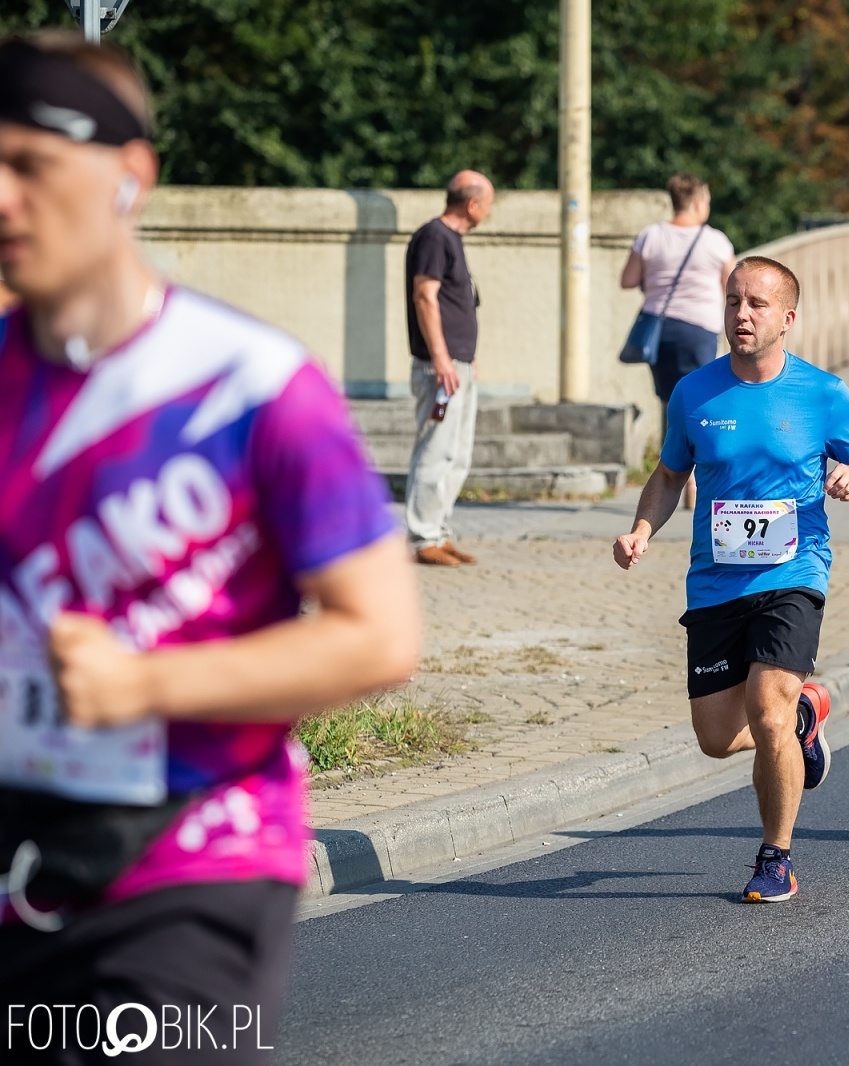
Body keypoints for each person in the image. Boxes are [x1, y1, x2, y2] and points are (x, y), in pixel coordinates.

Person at [0, 31, 421, 1045]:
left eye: (29, 164)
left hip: (193, 865)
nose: (1, 198)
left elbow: (379, 636)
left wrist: (144, 684)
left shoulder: (254, 386)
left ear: (129, 174)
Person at [612, 256, 849, 903]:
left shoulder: (822, 393)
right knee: (716, 739)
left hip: (794, 571)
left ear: (787, 318)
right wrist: (642, 529)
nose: (742, 314)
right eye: (734, 301)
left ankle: (775, 857)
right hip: (715, 583)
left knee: (766, 709)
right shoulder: (694, 393)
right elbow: (670, 475)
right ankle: (803, 720)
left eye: (757, 304)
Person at [622, 173, 737, 510]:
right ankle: (696, 485)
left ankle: (673, 474)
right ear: (699, 202)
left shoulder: (651, 236)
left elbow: (628, 279)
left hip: (660, 332)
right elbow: (733, 286)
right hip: (699, 329)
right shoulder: (715, 241)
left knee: (671, 404)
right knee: (704, 403)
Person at [405, 170, 495, 567]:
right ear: (472, 204)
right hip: (440, 368)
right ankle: (422, 537)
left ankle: (439, 532)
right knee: (435, 451)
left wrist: (465, 358)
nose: (489, 211)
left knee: (456, 455)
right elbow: (425, 296)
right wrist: (441, 357)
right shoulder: (434, 237)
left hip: (458, 365)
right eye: (488, 204)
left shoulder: (451, 240)